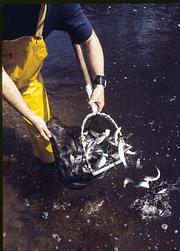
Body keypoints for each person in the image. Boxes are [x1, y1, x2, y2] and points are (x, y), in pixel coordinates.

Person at [2, 4, 106, 164]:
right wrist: (28, 115)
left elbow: (90, 40)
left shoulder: (63, 6)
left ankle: (47, 172)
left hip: (28, 80)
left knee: (46, 140)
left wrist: (99, 83)